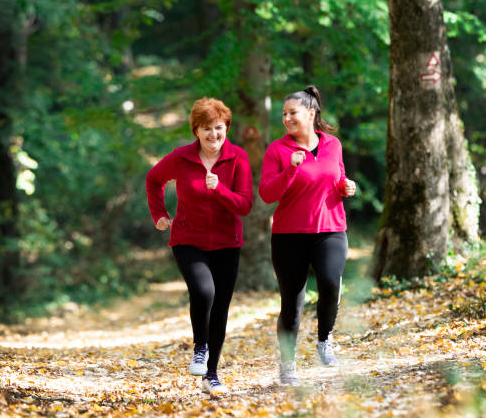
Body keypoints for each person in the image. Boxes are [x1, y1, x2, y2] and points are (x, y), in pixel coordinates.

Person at [146, 97, 253, 395]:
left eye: (219, 128)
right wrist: (160, 215)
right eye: (206, 128)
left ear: (226, 128)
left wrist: (219, 190)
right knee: (204, 291)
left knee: (221, 307)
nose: (213, 135)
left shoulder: (238, 158)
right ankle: (200, 346)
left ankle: (212, 374)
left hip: (227, 242)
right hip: (188, 239)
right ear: (195, 131)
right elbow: (154, 180)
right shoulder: (180, 158)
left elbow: (245, 206)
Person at [259, 85, 356, 385]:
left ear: (311, 114)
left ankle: (325, 339)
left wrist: (346, 186)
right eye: (284, 114)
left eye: (293, 113)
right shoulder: (278, 150)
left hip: (330, 228)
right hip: (290, 234)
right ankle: (287, 364)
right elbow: (266, 193)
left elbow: (338, 177)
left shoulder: (333, 145)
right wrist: (289, 170)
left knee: (330, 283)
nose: (287, 118)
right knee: (292, 302)